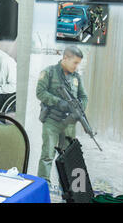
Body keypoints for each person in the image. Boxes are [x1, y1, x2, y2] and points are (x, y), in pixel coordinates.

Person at [36, 46, 88, 183]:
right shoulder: (49, 72)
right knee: (47, 155)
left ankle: (66, 189)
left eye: (78, 63)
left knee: (68, 157)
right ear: (65, 58)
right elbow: (40, 92)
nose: (77, 66)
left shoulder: (77, 77)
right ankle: (43, 186)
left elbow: (84, 96)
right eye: (75, 63)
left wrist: (79, 108)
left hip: (69, 124)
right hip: (52, 121)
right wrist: (58, 102)